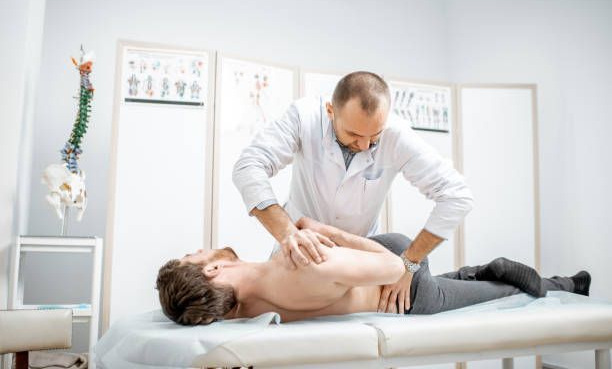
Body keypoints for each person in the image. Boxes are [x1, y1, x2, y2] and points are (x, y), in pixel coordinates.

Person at [233, 71, 474, 312]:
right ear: (330, 111)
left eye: (374, 136)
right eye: (354, 135)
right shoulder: (305, 117)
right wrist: (286, 232)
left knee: (434, 296)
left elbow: (457, 196)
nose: (365, 145)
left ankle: (494, 274)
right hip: (298, 253)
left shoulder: (396, 135)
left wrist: (410, 262)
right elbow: (248, 166)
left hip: (359, 261)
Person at [156, 218, 590, 325]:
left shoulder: (240, 312)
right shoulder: (292, 270)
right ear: (213, 268)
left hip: (381, 276)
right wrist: (327, 230)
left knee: (449, 288)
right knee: (506, 292)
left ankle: (565, 282)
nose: (201, 248)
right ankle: (510, 274)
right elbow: (390, 265)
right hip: (400, 282)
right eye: (194, 255)